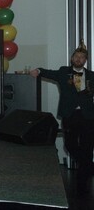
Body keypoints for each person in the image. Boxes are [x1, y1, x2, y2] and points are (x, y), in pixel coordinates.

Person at [30, 41, 94, 194]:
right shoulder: (63, 72)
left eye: (82, 57)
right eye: (76, 56)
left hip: (88, 116)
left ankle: (82, 186)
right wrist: (38, 70)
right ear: (72, 58)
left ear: (86, 60)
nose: (79, 59)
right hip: (70, 115)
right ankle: (89, 166)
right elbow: (48, 72)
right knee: (70, 145)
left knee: (87, 147)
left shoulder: (92, 76)